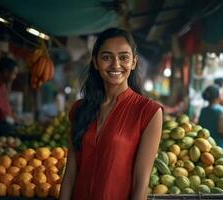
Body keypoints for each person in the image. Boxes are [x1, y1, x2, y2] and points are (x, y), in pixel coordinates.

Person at [59, 28, 163, 200]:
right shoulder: (79, 109)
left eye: (124, 57)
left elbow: (141, 183)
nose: (116, 64)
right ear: (95, 62)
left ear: (134, 62)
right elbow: (70, 173)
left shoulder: (149, 112)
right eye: (106, 57)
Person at [198, 85, 223, 162]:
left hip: (205, 151)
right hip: (219, 151)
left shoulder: (204, 110)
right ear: (217, 96)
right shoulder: (220, 111)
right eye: (221, 93)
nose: (222, 95)